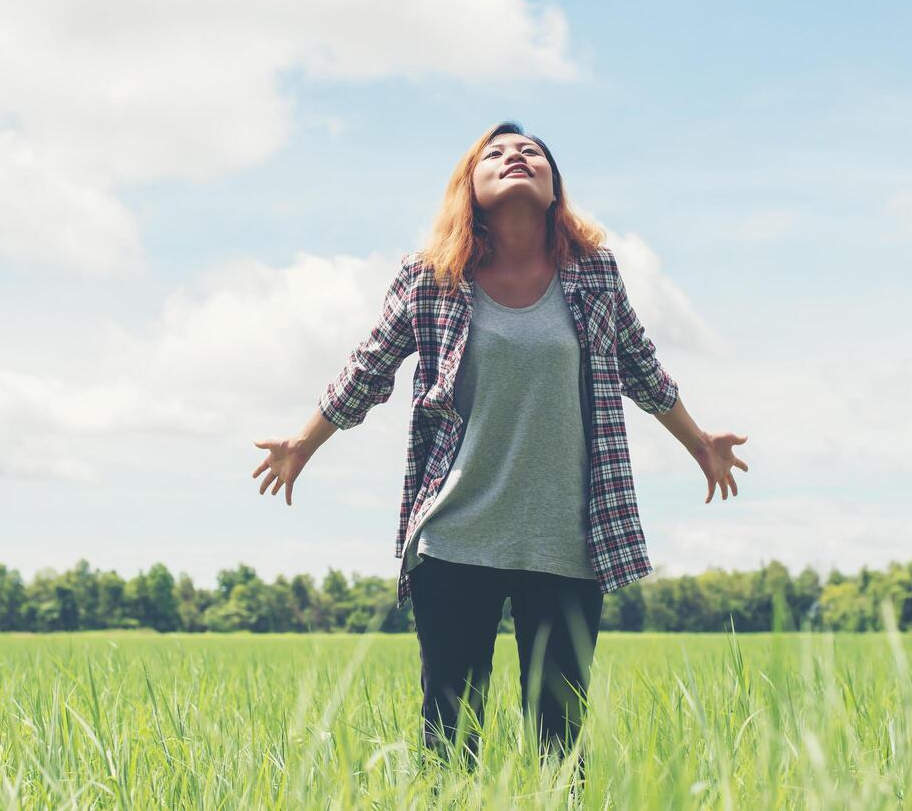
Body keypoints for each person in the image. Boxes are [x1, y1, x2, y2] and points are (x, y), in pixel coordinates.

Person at [251, 121, 748, 785]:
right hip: (458, 538)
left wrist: (699, 442)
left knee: (559, 742)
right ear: (471, 186)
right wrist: (303, 442)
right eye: (497, 153)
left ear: (553, 186)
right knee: (450, 741)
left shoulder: (594, 275)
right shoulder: (431, 278)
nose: (517, 157)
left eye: (532, 153)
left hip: (568, 542)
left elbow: (641, 367)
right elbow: (370, 368)